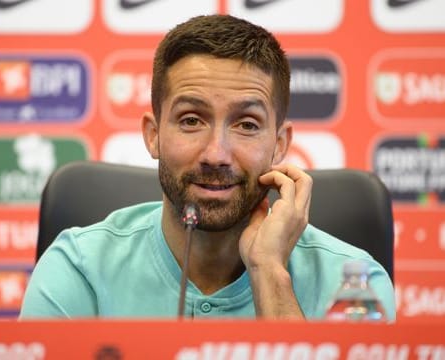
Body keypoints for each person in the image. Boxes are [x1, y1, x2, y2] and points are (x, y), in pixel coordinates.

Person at [20, 14, 395, 320]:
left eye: (246, 124)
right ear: (153, 135)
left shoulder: (354, 283)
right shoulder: (78, 267)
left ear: (279, 145)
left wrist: (268, 273)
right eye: (191, 120)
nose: (216, 153)